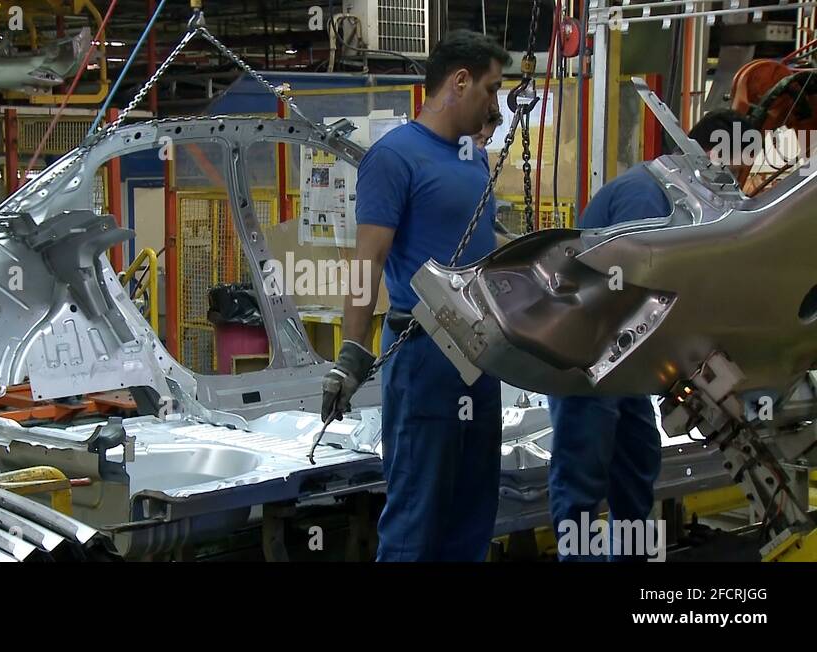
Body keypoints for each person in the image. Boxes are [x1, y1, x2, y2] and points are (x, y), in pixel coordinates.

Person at [321, 30, 511, 561]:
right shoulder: (394, 157)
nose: (495, 105)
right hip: (425, 351)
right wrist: (351, 353)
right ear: (459, 80)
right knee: (417, 515)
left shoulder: (471, 158)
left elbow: (477, 237)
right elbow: (369, 260)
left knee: (473, 512)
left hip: (480, 351)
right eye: (491, 89)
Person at [549, 108, 755, 561]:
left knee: (636, 464)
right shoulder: (648, 195)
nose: (740, 177)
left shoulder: (689, 200)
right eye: (739, 163)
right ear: (712, 152)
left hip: (626, 365)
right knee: (584, 474)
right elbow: (632, 295)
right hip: (588, 358)